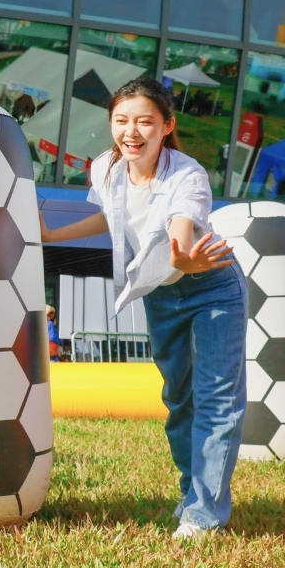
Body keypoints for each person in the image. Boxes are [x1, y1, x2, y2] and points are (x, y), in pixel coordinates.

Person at [40, 76, 246, 541]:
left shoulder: (187, 174)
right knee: (178, 397)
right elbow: (111, 217)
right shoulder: (105, 169)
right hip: (160, 291)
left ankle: (205, 514)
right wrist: (52, 235)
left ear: (167, 126)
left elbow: (181, 231)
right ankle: (192, 491)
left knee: (216, 399)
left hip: (211, 286)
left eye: (145, 122)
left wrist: (183, 257)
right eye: (121, 120)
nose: (131, 132)